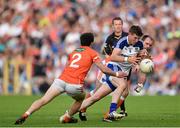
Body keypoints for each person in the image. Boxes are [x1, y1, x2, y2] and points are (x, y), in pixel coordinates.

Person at [14, 33, 127, 125]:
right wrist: (117, 74)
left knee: (43, 100)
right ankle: (67, 116)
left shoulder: (74, 51)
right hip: (74, 84)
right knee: (81, 98)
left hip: (61, 80)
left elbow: (69, 64)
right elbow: (103, 69)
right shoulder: (93, 52)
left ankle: (26, 113)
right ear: (92, 42)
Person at [78, 25, 143, 121]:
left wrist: (139, 63)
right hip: (113, 67)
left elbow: (139, 55)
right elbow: (113, 57)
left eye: (138, 38)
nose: (137, 40)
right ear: (130, 34)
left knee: (96, 97)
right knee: (122, 85)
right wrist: (127, 59)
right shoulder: (122, 42)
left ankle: (69, 113)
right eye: (135, 37)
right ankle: (111, 112)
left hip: (122, 72)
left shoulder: (139, 44)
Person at [103, 34, 155, 122]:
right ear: (141, 41)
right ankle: (113, 112)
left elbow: (144, 72)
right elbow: (118, 54)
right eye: (147, 43)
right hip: (112, 67)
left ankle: (111, 113)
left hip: (124, 71)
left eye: (150, 45)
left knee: (124, 92)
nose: (148, 46)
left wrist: (140, 85)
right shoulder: (133, 45)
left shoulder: (145, 53)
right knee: (97, 93)